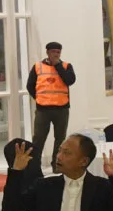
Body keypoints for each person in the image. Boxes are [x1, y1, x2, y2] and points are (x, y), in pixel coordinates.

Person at [1, 133, 113, 211]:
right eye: (59, 151)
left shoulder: (101, 187)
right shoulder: (45, 186)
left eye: (66, 153)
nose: (58, 156)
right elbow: (10, 209)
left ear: (83, 161)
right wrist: (16, 171)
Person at [26, 41, 76, 171]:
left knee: (60, 139)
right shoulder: (38, 67)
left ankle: (57, 166)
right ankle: (34, 168)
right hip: (43, 110)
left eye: (58, 52)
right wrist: (39, 98)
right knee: (38, 139)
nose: (56, 54)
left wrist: (58, 66)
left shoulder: (66, 66)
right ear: (47, 52)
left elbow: (70, 80)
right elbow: (30, 86)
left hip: (61, 109)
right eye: (53, 52)